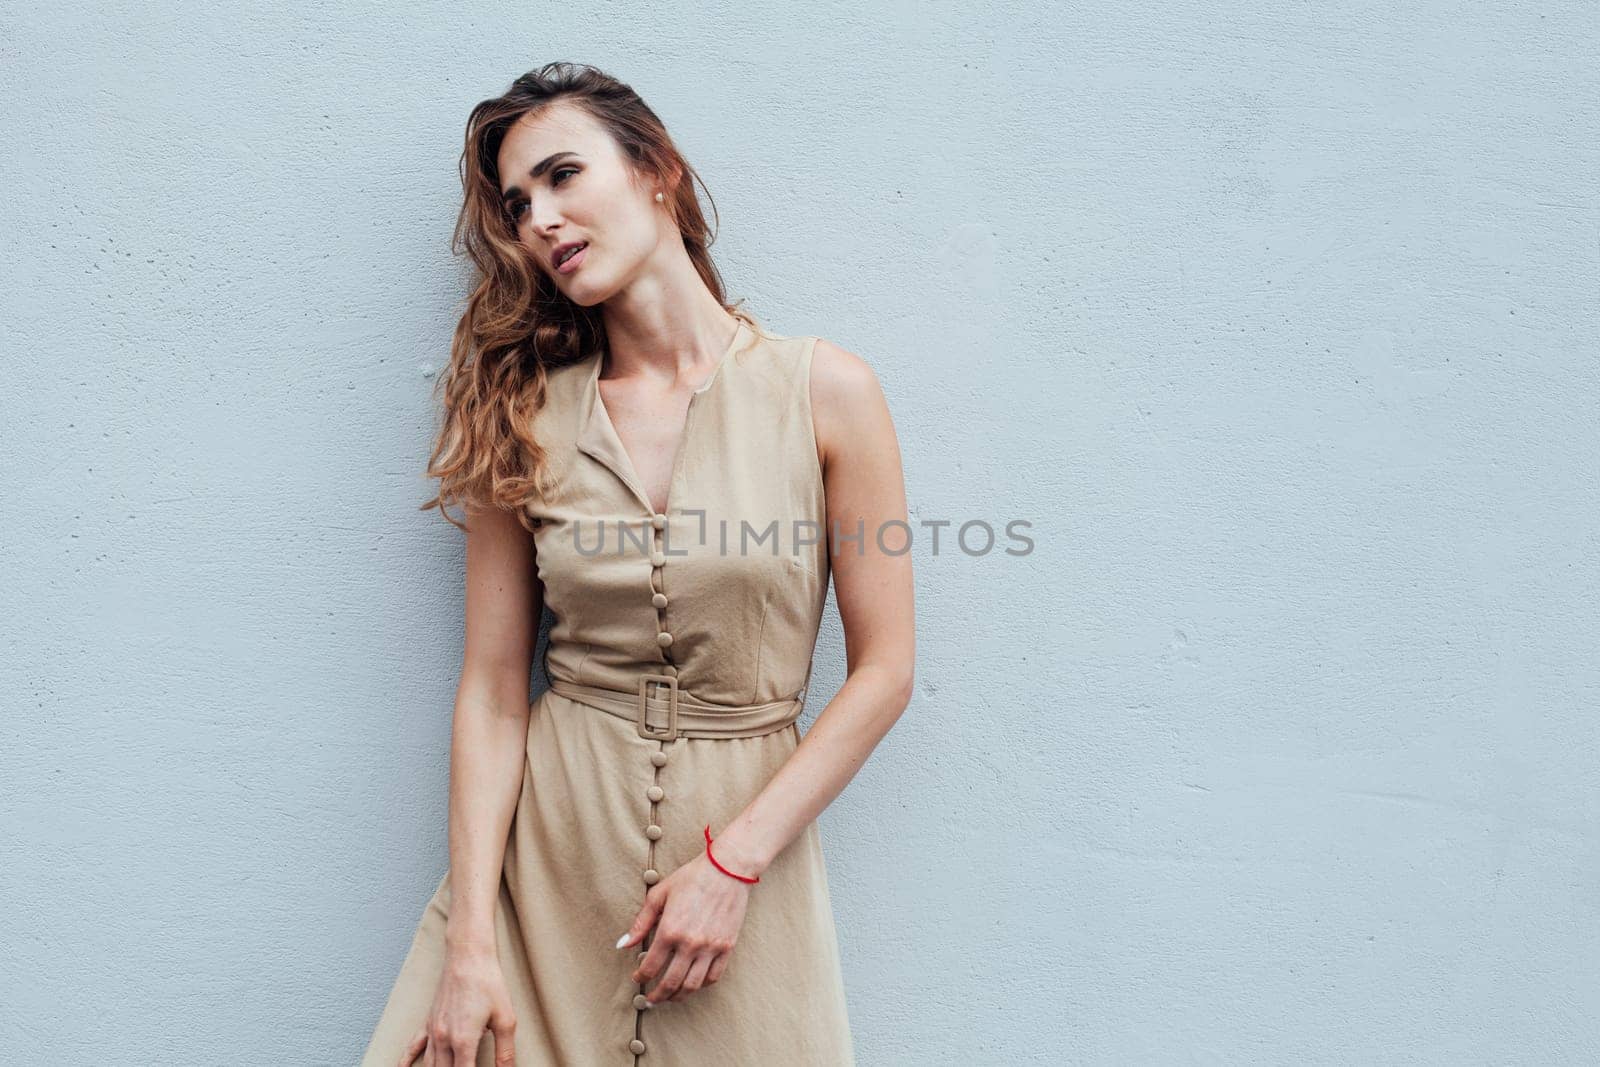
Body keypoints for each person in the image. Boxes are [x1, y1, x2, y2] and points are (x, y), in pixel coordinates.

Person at [361, 61, 915, 1067]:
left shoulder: (826, 392)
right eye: (518, 203)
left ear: (657, 169)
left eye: (564, 175)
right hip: (547, 861)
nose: (539, 217)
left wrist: (733, 864)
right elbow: (491, 690)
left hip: (741, 867)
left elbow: (885, 673)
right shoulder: (517, 412)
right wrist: (471, 944)